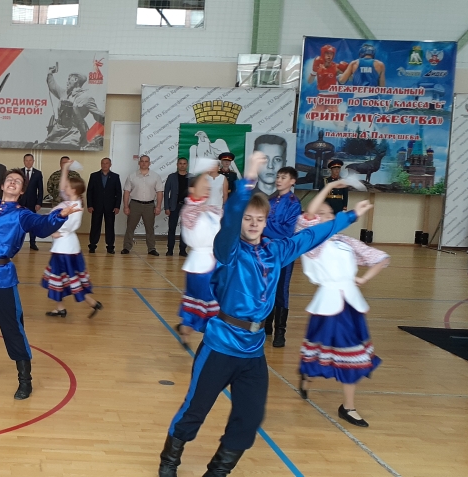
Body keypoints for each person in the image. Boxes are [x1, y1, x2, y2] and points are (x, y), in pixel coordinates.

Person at [157, 153, 372, 477]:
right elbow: (230, 217)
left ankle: (217, 472)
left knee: (250, 417)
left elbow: (312, 235)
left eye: (259, 218)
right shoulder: (228, 251)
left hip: (253, 351)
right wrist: (249, 179)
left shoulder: (276, 250)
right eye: (248, 218)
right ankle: (169, 462)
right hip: (220, 345)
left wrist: (351, 216)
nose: (254, 223)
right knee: (195, 408)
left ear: (266, 220)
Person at [0, 144, 77, 401]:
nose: (12, 182)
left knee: (12, 328)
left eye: (17, 182)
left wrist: (60, 216)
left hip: (1, 278)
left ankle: (25, 380)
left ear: (21, 191)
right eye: (9, 179)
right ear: (2, 185)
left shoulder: (22, 215)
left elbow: (42, 225)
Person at [296, 180, 389, 428]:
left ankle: (348, 406)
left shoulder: (346, 242)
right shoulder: (312, 241)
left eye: (329, 214)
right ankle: (308, 377)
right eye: (319, 214)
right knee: (325, 349)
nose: (323, 217)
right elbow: (308, 216)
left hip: (351, 303)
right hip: (327, 303)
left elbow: (380, 258)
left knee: (351, 352)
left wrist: (364, 278)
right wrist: (331, 187)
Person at [42, 160, 102, 318]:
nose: (65, 188)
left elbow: (69, 225)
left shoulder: (75, 206)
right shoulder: (71, 201)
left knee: (64, 277)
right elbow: (62, 187)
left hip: (65, 247)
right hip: (64, 246)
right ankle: (62, 307)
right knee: (63, 277)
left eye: (68, 186)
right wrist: (66, 168)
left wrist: (53, 231)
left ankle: (90, 303)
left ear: (74, 190)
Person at [176, 163, 223, 346]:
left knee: (203, 301)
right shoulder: (189, 211)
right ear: (192, 189)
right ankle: (206, 335)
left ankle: (187, 329)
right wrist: (204, 170)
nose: (207, 187)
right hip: (201, 265)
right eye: (204, 184)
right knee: (206, 301)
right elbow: (192, 212)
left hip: (212, 262)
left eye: (209, 185)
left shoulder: (210, 209)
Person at [263, 166, 301, 347]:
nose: (279, 180)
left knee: (281, 289)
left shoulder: (294, 203)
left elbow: (287, 231)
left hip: (284, 252)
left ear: (292, 181)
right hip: (266, 251)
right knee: (266, 286)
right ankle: (266, 325)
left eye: (283, 177)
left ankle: (280, 331)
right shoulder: (270, 200)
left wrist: (263, 226)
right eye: (278, 177)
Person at [44, 63, 104, 148]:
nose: (67, 82)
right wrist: (50, 73)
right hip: (56, 134)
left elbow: (99, 116)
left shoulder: (86, 98)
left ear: (76, 80)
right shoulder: (64, 94)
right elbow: (53, 87)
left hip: (73, 135)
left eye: (69, 79)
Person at [121, 155, 163, 256]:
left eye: (146, 161)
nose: (144, 163)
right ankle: (127, 247)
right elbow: (126, 192)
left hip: (149, 205)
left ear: (149, 163)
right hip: (134, 205)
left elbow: (159, 192)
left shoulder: (156, 176)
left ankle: (151, 248)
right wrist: (126, 206)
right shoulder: (132, 176)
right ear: (139, 163)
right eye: (142, 161)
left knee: (150, 228)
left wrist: (158, 206)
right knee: (130, 227)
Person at [86, 157, 121, 254]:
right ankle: (92, 245)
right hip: (96, 206)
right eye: (103, 163)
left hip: (110, 206)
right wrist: (90, 205)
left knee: (110, 226)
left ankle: (110, 246)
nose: (105, 165)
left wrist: (117, 206)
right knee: (95, 226)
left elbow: (118, 192)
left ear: (110, 165)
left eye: (107, 163)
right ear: (101, 164)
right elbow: (89, 192)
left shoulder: (115, 177)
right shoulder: (94, 176)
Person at [16, 153, 45, 251]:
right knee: (20, 223)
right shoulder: (19, 172)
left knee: (32, 223)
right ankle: (17, 243)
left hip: (33, 203)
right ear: (24, 161)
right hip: (20, 202)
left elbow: (40, 189)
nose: (28, 162)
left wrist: (39, 203)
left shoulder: (38, 173)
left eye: (30, 160)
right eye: (26, 160)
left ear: (33, 161)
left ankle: (33, 243)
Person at [163, 158, 190, 257]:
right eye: (180, 163)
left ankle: (183, 250)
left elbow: (195, 193)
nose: (182, 165)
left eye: (184, 163)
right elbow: (166, 192)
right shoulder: (171, 177)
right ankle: (170, 249)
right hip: (174, 206)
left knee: (185, 229)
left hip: (187, 207)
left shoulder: (192, 177)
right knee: (172, 228)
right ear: (177, 165)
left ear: (187, 165)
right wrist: (167, 207)